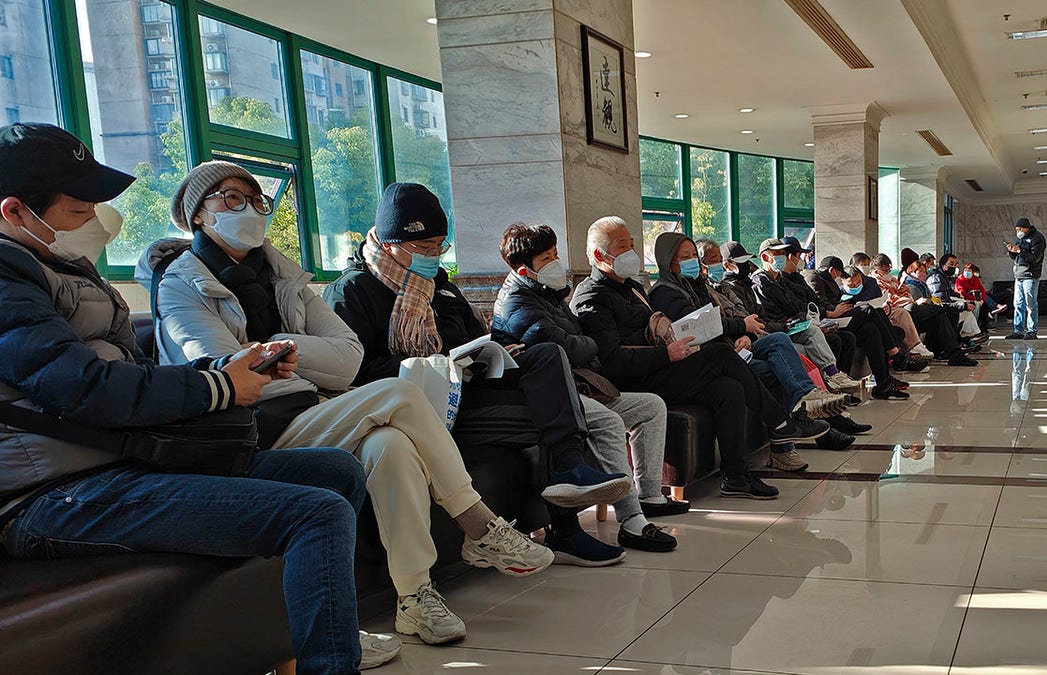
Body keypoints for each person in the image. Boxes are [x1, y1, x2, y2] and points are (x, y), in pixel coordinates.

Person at [0, 123, 397, 673]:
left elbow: (130, 373)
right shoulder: (7, 275)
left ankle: (300, 635)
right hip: (50, 495)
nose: (93, 220)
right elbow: (82, 387)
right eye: (77, 210)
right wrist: (219, 384)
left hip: (115, 462)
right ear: (15, 211)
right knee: (316, 511)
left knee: (336, 471)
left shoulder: (62, 267)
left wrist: (225, 368)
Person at [146, 170, 555, 648]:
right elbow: (227, 372)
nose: (251, 209)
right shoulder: (181, 285)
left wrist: (279, 348)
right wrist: (279, 357)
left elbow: (347, 357)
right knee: (399, 392)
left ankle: (414, 596)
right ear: (197, 213)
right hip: (245, 426)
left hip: (309, 408)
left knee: (392, 445)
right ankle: (477, 523)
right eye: (232, 199)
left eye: (257, 199)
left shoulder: (286, 279)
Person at [320, 184, 639, 568]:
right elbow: (353, 370)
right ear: (391, 244)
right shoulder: (352, 291)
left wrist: (497, 352)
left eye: (440, 245)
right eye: (424, 248)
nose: (434, 256)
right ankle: (566, 529)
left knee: (546, 357)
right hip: (421, 408)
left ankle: (570, 470)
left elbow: (476, 337)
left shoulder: (441, 287)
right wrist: (437, 365)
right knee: (549, 415)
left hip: (470, 389)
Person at [572, 217, 822, 500]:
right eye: (623, 246)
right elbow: (611, 362)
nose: (632, 252)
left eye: (632, 244)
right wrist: (666, 353)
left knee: (729, 389)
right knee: (720, 354)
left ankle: (735, 475)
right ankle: (780, 423)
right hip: (636, 381)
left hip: (660, 366)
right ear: (598, 255)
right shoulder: (591, 296)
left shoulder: (631, 288)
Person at [490, 222, 685, 553]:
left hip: (581, 384)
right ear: (525, 269)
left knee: (650, 406)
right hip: (552, 395)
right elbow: (573, 346)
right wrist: (585, 344)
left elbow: (578, 342)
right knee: (608, 421)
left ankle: (649, 493)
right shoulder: (518, 303)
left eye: (555, 254)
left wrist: (582, 344)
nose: (556, 263)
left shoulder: (547, 294)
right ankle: (632, 521)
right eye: (546, 258)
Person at [648, 232, 858, 461]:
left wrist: (744, 333)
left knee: (780, 342)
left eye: (693, 257)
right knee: (774, 367)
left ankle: (805, 398)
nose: (693, 263)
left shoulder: (696, 287)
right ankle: (787, 442)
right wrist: (742, 327)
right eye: (685, 257)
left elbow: (744, 316)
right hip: (710, 357)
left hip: (737, 343)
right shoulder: (666, 291)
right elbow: (699, 327)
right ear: (668, 260)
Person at [742, 239, 862, 384]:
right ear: (765, 257)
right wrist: (791, 321)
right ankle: (827, 380)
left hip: (791, 325)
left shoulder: (780, 279)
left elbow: (797, 306)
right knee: (826, 336)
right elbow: (771, 315)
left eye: (783, 253)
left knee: (816, 331)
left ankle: (834, 375)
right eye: (777, 253)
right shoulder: (760, 282)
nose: (783, 257)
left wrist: (800, 319)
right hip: (777, 330)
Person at [803, 254, 920, 399]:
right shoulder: (814, 278)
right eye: (838, 275)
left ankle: (883, 384)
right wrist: (833, 311)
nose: (838, 278)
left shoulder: (828, 281)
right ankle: (896, 355)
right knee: (869, 310)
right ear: (832, 270)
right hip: (830, 319)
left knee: (870, 329)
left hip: (839, 315)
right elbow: (819, 303)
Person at [1005, 217, 1046, 340]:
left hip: (1030, 275)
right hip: (1019, 275)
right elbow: (1018, 256)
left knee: (1030, 303)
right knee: (1018, 304)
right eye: (1016, 229)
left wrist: (1019, 250)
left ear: (1026, 228)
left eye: (1020, 229)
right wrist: (1012, 252)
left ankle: (1032, 331)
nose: (1018, 231)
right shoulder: (1020, 238)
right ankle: (1018, 330)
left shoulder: (1038, 238)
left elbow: (1035, 258)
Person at [926, 252, 983, 338]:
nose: (953, 267)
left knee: (970, 305)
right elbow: (941, 299)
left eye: (955, 264)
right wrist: (962, 305)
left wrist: (959, 296)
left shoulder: (943, 276)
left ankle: (968, 335)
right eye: (951, 264)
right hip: (939, 306)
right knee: (964, 309)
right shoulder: (936, 278)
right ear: (943, 264)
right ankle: (968, 335)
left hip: (946, 302)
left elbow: (948, 291)